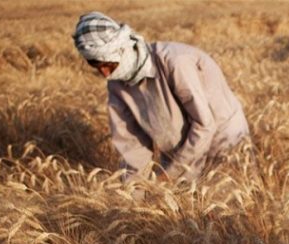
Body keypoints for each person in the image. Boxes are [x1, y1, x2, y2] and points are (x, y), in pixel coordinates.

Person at [73, 12, 249, 182]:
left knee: (230, 198)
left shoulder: (174, 62)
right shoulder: (116, 84)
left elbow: (205, 125)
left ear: (122, 49)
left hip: (223, 139)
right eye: (96, 66)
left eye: (108, 64)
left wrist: (169, 175)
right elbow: (132, 145)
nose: (105, 73)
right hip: (177, 150)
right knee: (180, 203)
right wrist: (133, 195)